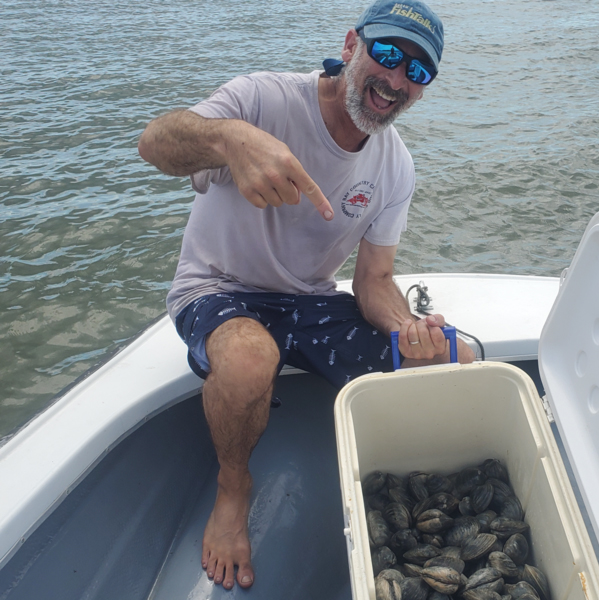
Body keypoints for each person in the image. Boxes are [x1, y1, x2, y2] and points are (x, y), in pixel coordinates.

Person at [138, 0, 474, 591]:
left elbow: (372, 281)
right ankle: (233, 488)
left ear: (423, 90)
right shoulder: (263, 100)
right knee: (247, 358)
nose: (395, 80)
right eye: (388, 54)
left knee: (457, 358)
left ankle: (409, 499)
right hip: (218, 288)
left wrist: (406, 331)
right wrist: (230, 140)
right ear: (352, 46)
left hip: (307, 303)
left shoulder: (395, 167)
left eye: (416, 71)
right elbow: (154, 144)